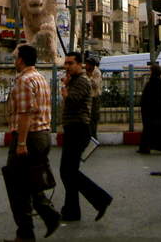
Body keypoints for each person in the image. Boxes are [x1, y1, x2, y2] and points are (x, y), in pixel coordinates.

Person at [2, 44, 60, 242]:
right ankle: (46, 217)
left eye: (15, 57)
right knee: (31, 181)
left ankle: (27, 231)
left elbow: (25, 114)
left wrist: (21, 143)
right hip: (42, 134)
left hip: (29, 137)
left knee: (16, 185)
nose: (14, 60)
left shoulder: (25, 81)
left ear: (21, 60)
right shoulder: (40, 78)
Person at [58, 52, 112, 223]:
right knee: (68, 172)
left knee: (68, 172)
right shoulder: (75, 80)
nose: (67, 66)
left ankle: (100, 199)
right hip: (72, 128)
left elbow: (72, 101)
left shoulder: (81, 81)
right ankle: (72, 211)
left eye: (70, 63)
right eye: (65, 63)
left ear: (79, 64)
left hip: (78, 129)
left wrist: (65, 89)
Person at [84, 56, 102, 138]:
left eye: (88, 64)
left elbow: (95, 85)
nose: (86, 66)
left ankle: (93, 136)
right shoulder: (85, 72)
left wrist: (90, 77)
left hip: (94, 98)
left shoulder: (96, 72)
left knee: (94, 118)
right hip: (86, 98)